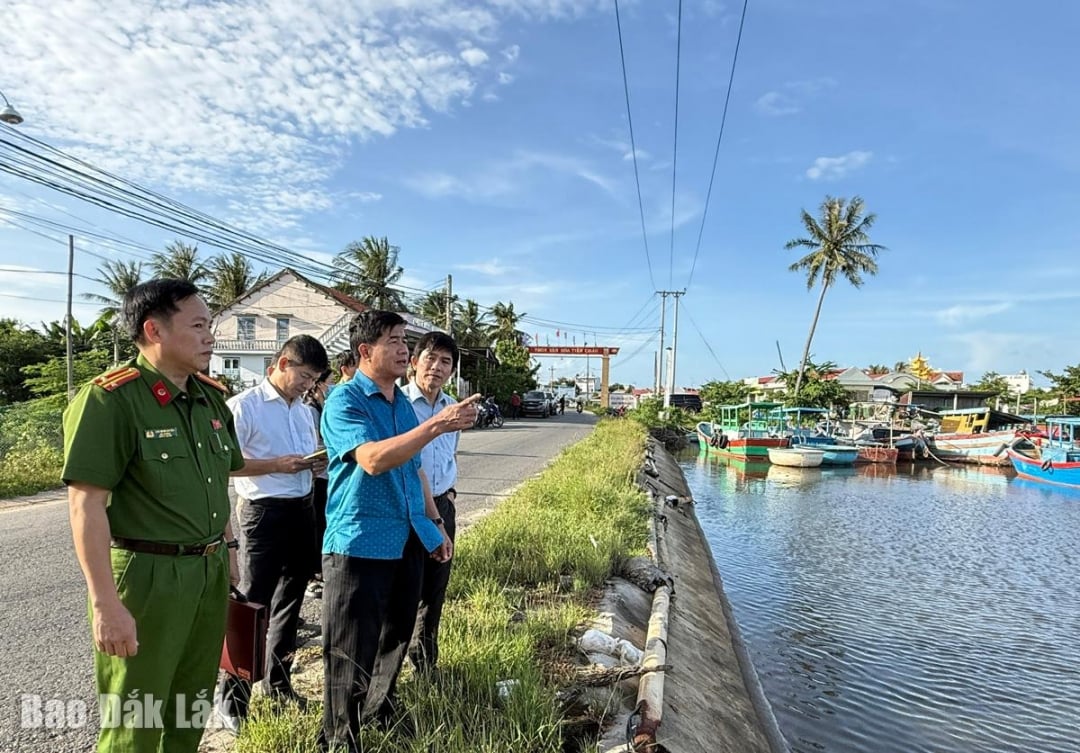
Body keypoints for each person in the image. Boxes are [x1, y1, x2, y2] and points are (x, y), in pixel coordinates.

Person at [63, 278, 245, 753]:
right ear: (155, 330)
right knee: (135, 721)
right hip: (147, 578)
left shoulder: (208, 399)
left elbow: (215, 479)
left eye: (211, 326)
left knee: (189, 709)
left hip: (206, 573)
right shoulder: (110, 399)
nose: (211, 337)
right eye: (199, 325)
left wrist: (226, 546)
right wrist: (105, 603)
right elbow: (86, 505)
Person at [319, 311, 480, 751]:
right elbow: (372, 460)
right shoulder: (345, 401)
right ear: (365, 351)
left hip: (409, 535)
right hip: (360, 540)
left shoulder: (403, 406)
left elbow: (416, 471)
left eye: (404, 340)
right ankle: (339, 737)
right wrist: (436, 425)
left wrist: (434, 524)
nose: (403, 349)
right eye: (393, 340)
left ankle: (378, 709)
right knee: (350, 645)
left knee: (396, 635)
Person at [215, 335, 329, 731]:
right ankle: (233, 698)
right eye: (303, 375)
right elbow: (228, 464)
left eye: (314, 379)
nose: (307, 385)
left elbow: (303, 455)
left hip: (301, 510)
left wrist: (314, 465)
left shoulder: (305, 410)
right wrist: (276, 465)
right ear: (281, 363)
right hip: (262, 514)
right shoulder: (243, 407)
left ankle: (279, 685)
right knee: (253, 604)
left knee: (290, 604)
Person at [402, 332, 462, 673]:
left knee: (434, 591)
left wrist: (450, 496)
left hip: (443, 505)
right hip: (410, 510)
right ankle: (389, 673)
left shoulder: (453, 408)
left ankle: (426, 665)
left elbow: (448, 456)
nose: (436, 368)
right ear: (413, 362)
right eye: (430, 358)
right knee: (403, 591)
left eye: (445, 362)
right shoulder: (399, 405)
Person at [305, 369, 333, 599]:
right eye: (328, 383)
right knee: (315, 528)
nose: (329, 388)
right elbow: (313, 443)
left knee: (321, 525)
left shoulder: (321, 407)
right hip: (315, 477)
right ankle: (313, 576)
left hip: (324, 476)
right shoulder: (309, 409)